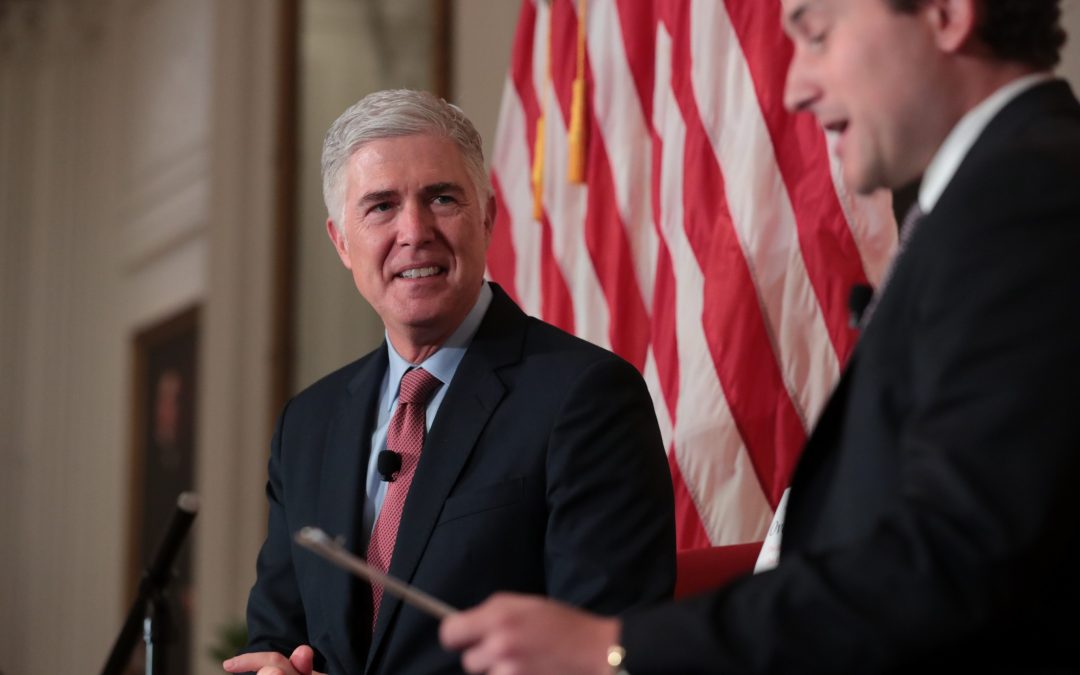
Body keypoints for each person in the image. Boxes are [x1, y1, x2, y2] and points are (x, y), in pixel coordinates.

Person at [439, 0, 1080, 672]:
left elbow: (954, 556)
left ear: (947, 14)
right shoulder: (993, 194)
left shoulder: (1026, 198)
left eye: (819, 37)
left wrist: (613, 645)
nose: (797, 86)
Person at [223, 90, 676, 675]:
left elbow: (607, 649)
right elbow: (277, 639)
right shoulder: (307, 425)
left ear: (486, 217)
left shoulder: (586, 397)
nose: (414, 231)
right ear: (341, 241)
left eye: (441, 198)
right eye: (381, 206)